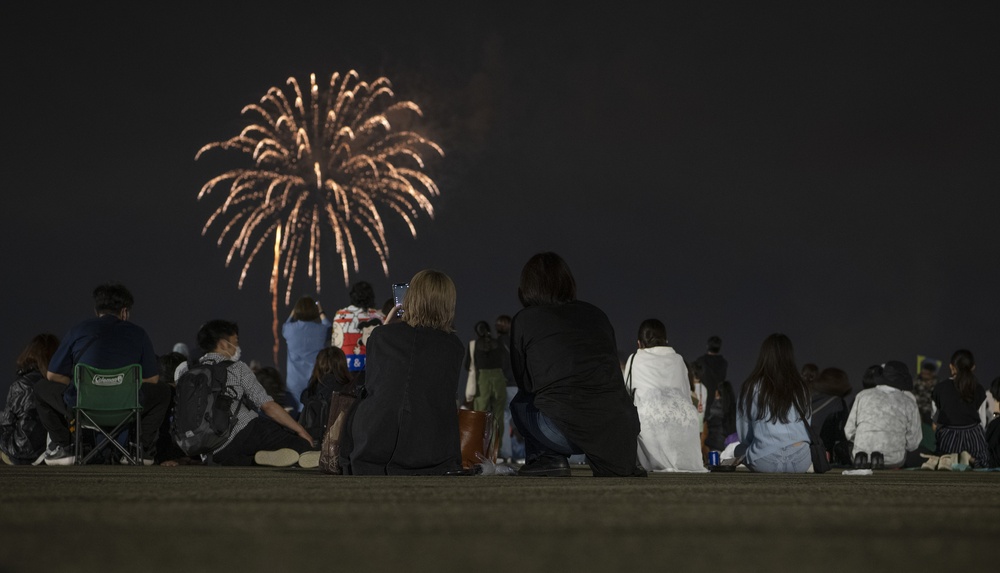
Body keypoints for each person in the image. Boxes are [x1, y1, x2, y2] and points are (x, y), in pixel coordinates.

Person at [509, 252, 644, 478]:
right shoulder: (597, 315)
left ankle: (547, 458)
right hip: (616, 429)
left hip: (560, 432)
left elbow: (524, 381)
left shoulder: (525, 319)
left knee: (520, 402)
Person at [35, 282, 171, 465]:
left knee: (41, 388)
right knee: (163, 392)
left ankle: (65, 446)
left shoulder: (78, 330)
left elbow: (52, 376)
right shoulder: (139, 334)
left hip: (83, 407)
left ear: (96, 310)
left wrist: (85, 384)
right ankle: (140, 449)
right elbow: (152, 379)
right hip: (126, 407)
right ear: (124, 312)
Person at [345, 269, 465, 475]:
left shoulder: (382, 336)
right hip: (430, 448)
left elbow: (373, 384)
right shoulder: (453, 346)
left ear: (411, 298)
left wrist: (387, 324)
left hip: (374, 444)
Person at [177, 319, 316, 467]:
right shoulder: (236, 368)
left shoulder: (188, 373)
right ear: (223, 344)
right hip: (245, 431)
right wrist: (301, 431)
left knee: (239, 455)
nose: (237, 347)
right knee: (300, 445)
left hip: (212, 450)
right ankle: (268, 456)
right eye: (235, 341)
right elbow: (267, 406)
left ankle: (254, 459)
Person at [623, 318, 706, 473]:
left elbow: (626, 393)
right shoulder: (678, 359)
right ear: (666, 341)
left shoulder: (635, 358)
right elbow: (686, 394)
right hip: (684, 419)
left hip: (649, 419)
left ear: (639, 343)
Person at [736, 333, 812, 473]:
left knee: (738, 449)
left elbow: (745, 434)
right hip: (801, 460)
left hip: (765, 460)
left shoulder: (751, 386)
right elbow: (807, 424)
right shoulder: (801, 387)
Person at [844, 360, 923, 469]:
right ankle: (882, 458)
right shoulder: (909, 401)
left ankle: (863, 456)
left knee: (858, 449)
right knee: (900, 456)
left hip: (860, 452)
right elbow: (914, 443)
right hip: (895, 458)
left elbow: (848, 431)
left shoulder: (862, 395)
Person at [1, 333, 59, 465]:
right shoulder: (58, 384)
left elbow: (7, 424)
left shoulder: (19, 385)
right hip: (49, 449)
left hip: (19, 451)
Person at [930, 349, 991, 469]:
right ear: (973, 367)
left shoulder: (939, 388)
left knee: (942, 452)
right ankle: (971, 458)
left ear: (952, 367)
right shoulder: (979, 389)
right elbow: (982, 422)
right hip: (973, 436)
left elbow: (935, 419)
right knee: (984, 463)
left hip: (949, 437)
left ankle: (949, 457)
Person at [281, 296, 332, 415]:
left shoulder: (289, 329)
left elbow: (285, 325)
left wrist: (292, 313)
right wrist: (321, 311)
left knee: (296, 417)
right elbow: (330, 328)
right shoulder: (322, 330)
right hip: (314, 380)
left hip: (294, 382)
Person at [463, 320, 507, 455]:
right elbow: (505, 361)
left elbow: (467, 366)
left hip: (482, 380)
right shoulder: (498, 343)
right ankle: (496, 450)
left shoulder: (474, 345)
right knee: (498, 415)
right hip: (499, 378)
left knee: (479, 415)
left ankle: (479, 450)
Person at [298, 346, 354, 443]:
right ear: (343, 365)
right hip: (344, 448)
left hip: (312, 447)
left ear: (318, 366)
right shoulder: (352, 392)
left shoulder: (309, 394)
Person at [331, 281, 384, 372]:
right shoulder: (379, 317)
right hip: (370, 371)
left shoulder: (339, 315)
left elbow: (334, 345)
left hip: (344, 370)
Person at [495, 314, 525, 463]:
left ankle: (505, 452)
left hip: (504, 384)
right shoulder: (515, 342)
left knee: (505, 417)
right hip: (518, 384)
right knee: (521, 418)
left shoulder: (496, 344)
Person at [809, 367, 853, 466]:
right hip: (823, 452)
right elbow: (842, 434)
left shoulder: (811, 399)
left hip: (804, 448)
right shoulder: (837, 403)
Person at [694, 335, 728, 418]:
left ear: (707, 346)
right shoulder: (723, 362)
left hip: (702, 396)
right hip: (717, 398)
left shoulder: (700, 361)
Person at [705, 380, 737, 453]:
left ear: (717, 393)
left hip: (715, 445)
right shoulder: (734, 408)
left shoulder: (714, 407)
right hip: (731, 445)